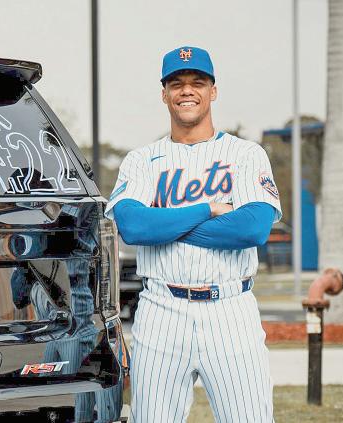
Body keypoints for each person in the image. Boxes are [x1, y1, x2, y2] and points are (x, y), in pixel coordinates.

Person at [105, 46, 281, 422]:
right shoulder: (141, 160)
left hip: (231, 308)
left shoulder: (246, 154)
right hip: (161, 309)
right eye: (177, 83)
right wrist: (207, 209)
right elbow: (133, 226)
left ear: (212, 91)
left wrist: (164, 225)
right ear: (164, 94)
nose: (187, 90)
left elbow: (252, 228)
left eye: (197, 82)